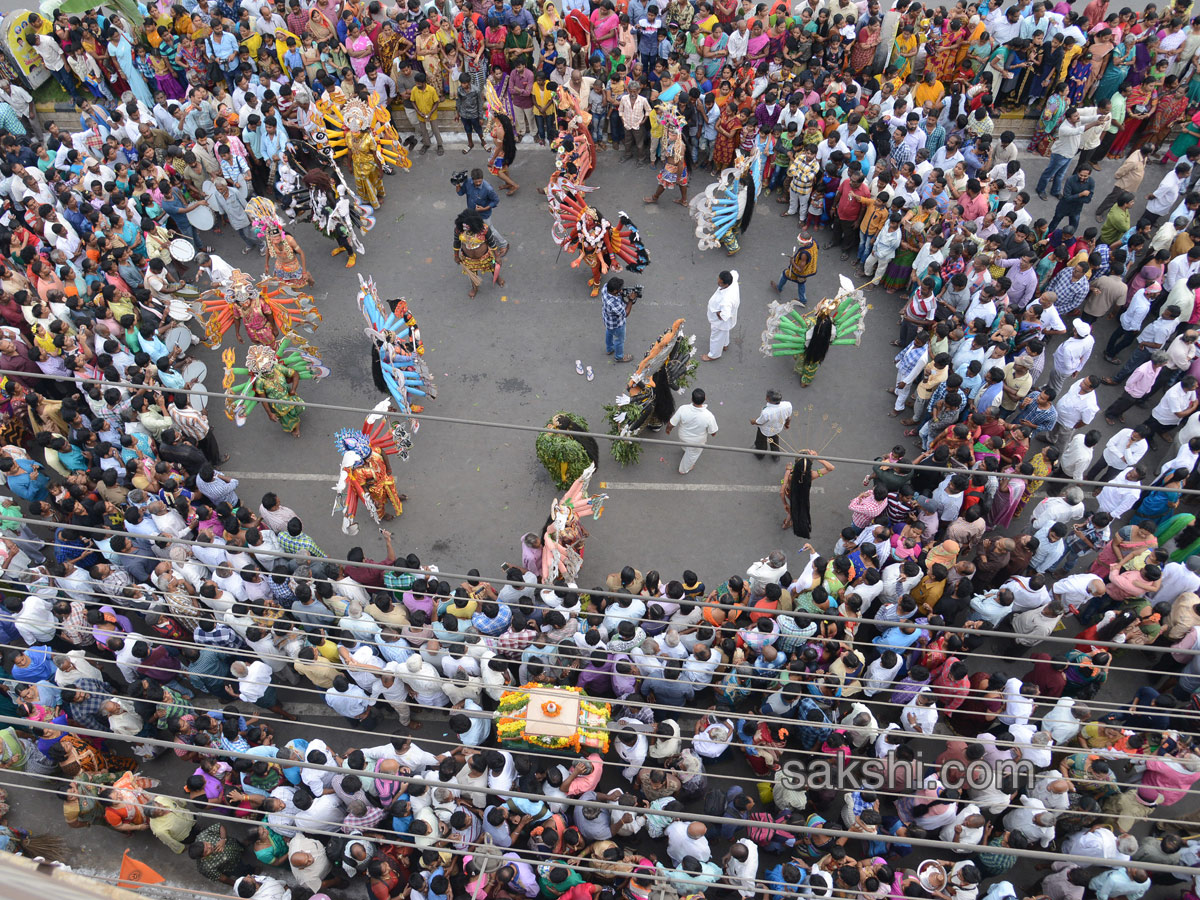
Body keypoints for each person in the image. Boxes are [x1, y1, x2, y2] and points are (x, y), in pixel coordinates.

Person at [666, 388, 719, 474]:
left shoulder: (683, 408)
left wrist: (668, 430)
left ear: (691, 399)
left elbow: (671, 424)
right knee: (692, 456)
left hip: (683, 436)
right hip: (696, 442)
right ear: (705, 399)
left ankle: (686, 450)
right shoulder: (709, 416)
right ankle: (684, 469)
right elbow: (713, 433)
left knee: (686, 447)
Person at [703, 270, 741, 361]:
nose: (718, 282)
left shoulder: (726, 300)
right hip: (727, 322)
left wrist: (717, 312)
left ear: (726, 284)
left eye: (720, 282)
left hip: (720, 323)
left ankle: (713, 355)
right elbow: (735, 272)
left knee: (716, 337)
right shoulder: (733, 281)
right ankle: (725, 344)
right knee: (724, 332)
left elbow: (724, 316)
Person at [601, 276, 635, 363]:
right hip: (617, 325)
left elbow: (618, 295)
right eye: (620, 289)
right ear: (615, 291)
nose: (621, 290)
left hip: (608, 321)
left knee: (609, 332)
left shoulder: (605, 287)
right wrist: (630, 300)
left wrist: (621, 294)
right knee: (619, 340)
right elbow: (625, 314)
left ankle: (609, 349)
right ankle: (619, 357)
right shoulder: (614, 303)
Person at [752, 389, 792, 460]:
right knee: (775, 442)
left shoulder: (766, 412)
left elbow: (760, 422)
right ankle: (776, 456)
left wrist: (753, 421)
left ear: (767, 398)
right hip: (777, 429)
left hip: (765, 431)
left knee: (761, 442)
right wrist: (787, 424)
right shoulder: (787, 405)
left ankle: (760, 455)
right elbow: (788, 417)